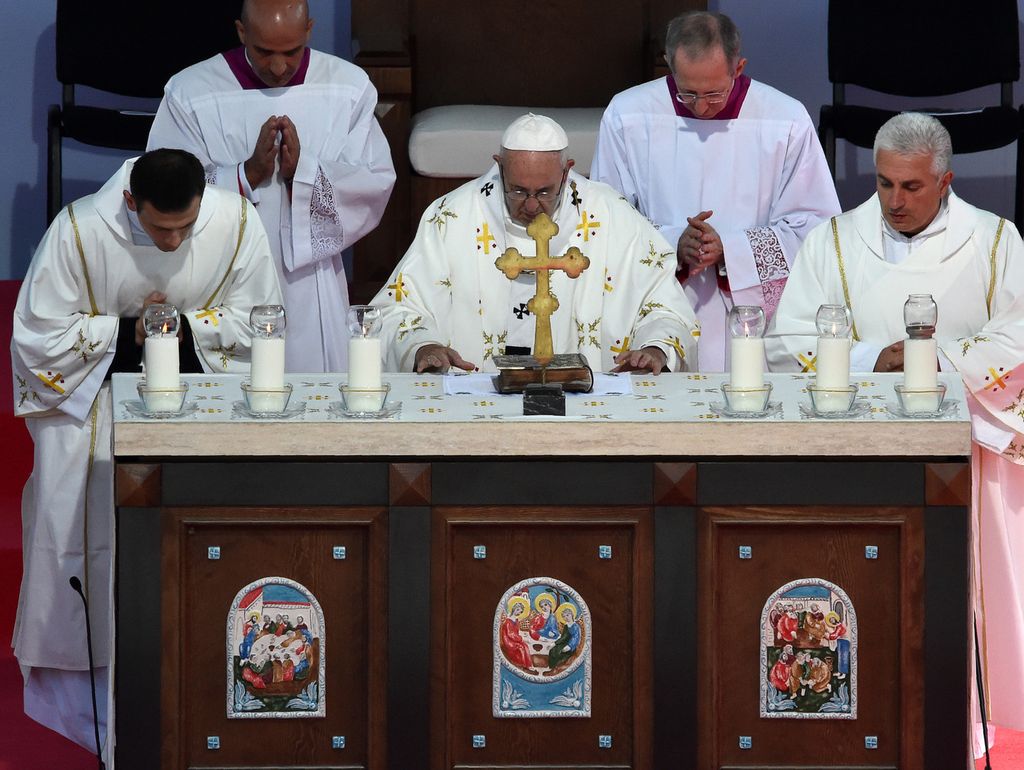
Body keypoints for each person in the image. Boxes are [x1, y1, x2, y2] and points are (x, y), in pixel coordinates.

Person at [10, 148, 281, 760]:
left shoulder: (234, 222)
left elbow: (261, 320)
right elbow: (37, 337)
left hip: (202, 403)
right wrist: (124, 329)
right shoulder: (80, 230)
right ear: (132, 202)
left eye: (186, 226)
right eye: (162, 229)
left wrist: (184, 328)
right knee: (92, 550)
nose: (176, 240)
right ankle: (103, 725)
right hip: (97, 408)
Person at [765, 112, 1024, 744]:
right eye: (884, 184)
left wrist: (929, 360)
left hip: (966, 448)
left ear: (946, 180)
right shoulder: (833, 240)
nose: (894, 201)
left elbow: (1017, 337)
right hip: (863, 448)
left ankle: (976, 724)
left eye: (911, 187)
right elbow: (786, 343)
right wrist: (870, 361)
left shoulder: (995, 241)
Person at [148, 0, 396, 372]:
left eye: (291, 51)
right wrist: (244, 175)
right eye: (264, 52)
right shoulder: (191, 92)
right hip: (221, 279)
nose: (279, 67)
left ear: (309, 30)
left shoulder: (347, 88)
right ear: (241, 32)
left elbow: (373, 182)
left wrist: (305, 173)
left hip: (310, 282)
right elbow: (163, 188)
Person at [590, 11, 839, 370]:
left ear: (738, 68)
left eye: (714, 93)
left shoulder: (784, 119)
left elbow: (815, 228)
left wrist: (731, 249)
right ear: (668, 66)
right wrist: (674, 242)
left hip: (751, 315)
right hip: (659, 299)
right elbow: (606, 218)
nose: (701, 106)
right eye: (687, 92)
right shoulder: (628, 114)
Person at [372, 113, 698, 373]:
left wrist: (655, 348)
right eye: (517, 191)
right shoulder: (452, 216)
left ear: (567, 173)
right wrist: (423, 346)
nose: (530, 206)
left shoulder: (612, 214)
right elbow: (399, 307)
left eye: (544, 192)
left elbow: (665, 305)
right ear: (499, 166)